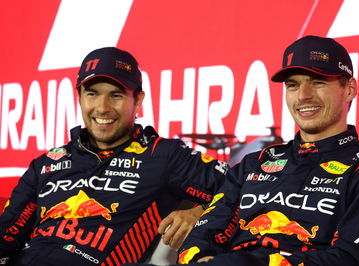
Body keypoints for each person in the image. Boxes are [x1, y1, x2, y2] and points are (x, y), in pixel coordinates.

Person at [176, 35, 359, 265]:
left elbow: (355, 259)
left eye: (317, 82)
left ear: (349, 89)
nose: (303, 95)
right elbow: (201, 236)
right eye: (293, 85)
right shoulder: (253, 163)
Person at [0, 47, 229, 265]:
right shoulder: (46, 164)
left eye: (116, 95)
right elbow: (7, 233)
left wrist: (200, 213)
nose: (102, 107)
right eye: (92, 94)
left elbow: (243, 186)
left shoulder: (162, 154)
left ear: (137, 100)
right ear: (79, 96)